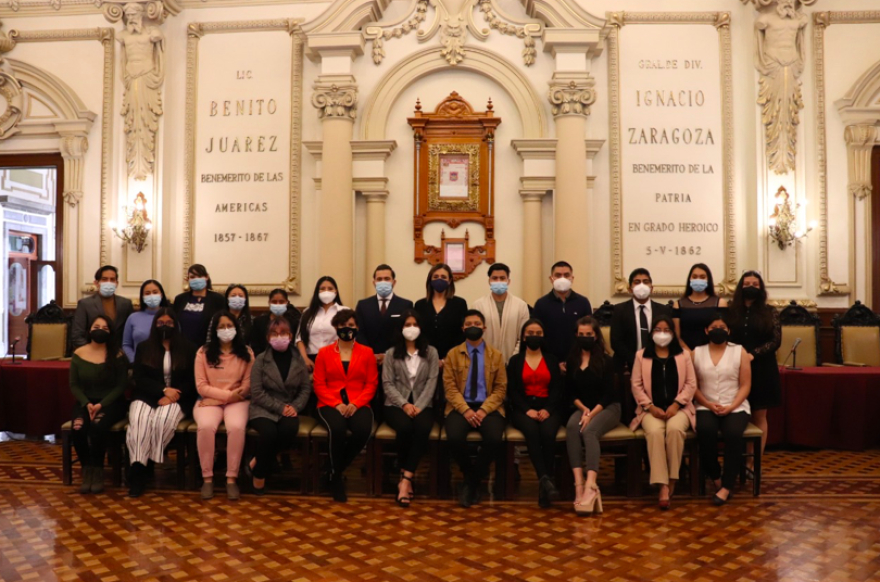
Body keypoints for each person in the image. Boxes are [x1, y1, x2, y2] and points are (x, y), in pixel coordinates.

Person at [126, 308, 197, 497]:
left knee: (161, 421)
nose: (164, 327)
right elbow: (139, 378)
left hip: (178, 398)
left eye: (169, 323)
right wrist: (163, 390)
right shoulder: (144, 347)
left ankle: (144, 462)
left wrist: (173, 395)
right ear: (154, 325)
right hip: (146, 395)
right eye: (160, 323)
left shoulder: (189, 348)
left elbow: (192, 380)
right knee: (139, 422)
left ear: (176, 325)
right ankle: (139, 470)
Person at [629, 315, 696, 510]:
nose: (662, 334)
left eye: (667, 330)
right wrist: (650, 406)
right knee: (655, 433)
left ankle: (672, 479)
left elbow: (691, 384)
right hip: (650, 410)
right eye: (658, 330)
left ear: (673, 334)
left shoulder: (683, 355)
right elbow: (636, 385)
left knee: (675, 430)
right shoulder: (641, 355)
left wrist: (677, 404)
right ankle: (663, 485)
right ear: (651, 334)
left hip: (680, 409)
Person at [443, 309, 507, 508]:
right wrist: (466, 410)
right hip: (460, 407)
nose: (473, 327)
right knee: (454, 437)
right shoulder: (453, 354)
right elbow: (450, 387)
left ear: (484, 328)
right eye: (469, 324)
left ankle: (470, 483)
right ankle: (473, 478)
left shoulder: (496, 356)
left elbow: (500, 388)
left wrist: (483, 410)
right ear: (463, 328)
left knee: (494, 438)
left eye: (477, 324)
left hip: (488, 408)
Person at [313, 309, 378, 502]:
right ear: (335, 328)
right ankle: (336, 479)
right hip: (329, 403)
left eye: (350, 325)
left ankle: (334, 469)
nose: (346, 329)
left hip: (359, 402)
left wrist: (356, 403)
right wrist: (336, 404)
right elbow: (319, 384)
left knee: (363, 430)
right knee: (337, 429)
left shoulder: (367, 352)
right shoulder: (324, 353)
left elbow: (371, 383)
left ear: (357, 327)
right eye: (342, 326)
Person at [193, 311, 254, 501]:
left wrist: (223, 399)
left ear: (236, 328)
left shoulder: (247, 352)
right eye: (221, 327)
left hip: (238, 400)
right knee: (205, 427)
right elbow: (201, 386)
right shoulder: (203, 352)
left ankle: (231, 478)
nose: (226, 330)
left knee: (236, 428)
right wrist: (226, 397)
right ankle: (208, 478)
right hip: (210, 400)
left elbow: (247, 385)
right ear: (214, 330)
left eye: (229, 326)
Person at [247, 317, 312, 495]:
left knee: (288, 430)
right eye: (274, 334)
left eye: (283, 333)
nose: (279, 337)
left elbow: (306, 389)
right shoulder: (261, 359)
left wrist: (295, 407)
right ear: (268, 338)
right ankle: (259, 477)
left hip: (290, 407)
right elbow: (257, 391)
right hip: (263, 408)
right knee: (269, 433)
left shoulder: (298, 359)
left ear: (290, 336)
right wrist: (280, 407)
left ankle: (256, 461)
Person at [692, 313, 752, 506]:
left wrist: (731, 406)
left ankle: (727, 486)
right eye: (713, 327)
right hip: (705, 405)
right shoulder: (696, 352)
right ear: (706, 331)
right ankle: (716, 478)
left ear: (728, 331)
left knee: (733, 434)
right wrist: (709, 404)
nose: (718, 330)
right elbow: (692, 385)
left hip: (735, 406)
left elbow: (745, 384)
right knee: (705, 431)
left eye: (722, 327)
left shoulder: (739, 351)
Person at [381, 309, 439, 507]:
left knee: (422, 428)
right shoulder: (391, 353)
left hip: (424, 404)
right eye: (407, 325)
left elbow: (432, 382)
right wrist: (404, 404)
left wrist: (419, 406)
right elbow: (387, 383)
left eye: (415, 325)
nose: (411, 328)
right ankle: (406, 476)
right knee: (405, 428)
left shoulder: (431, 352)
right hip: (396, 404)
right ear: (401, 329)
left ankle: (405, 479)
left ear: (421, 328)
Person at [565, 316, 620, 515]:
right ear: (576, 335)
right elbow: (570, 392)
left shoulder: (607, 360)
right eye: (582, 335)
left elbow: (609, 394)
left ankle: (591, 486)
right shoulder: (572, 359)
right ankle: (578, 483)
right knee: (572, 427)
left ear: (596, 336)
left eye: (589, 334)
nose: (585, 337)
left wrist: (591, 413)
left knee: (589, 432)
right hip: (583, 408)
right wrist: (583, 409)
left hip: (607, 408)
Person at [506, 318, 564, 508]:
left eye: (538, 334)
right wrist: (527, 410)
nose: (534, 337)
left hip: (549, 407)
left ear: (543, 336)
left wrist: (547, 409)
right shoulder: (515, 361)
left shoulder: (551, 359)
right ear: (523, 337)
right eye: (530, 333)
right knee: (531, 432)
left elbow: (557, 389)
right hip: (523, 409)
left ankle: (544, 485)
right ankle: (545, 481)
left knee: (547, 434)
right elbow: (512, 391)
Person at [69, 315, 128, 494]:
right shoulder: (79, 354)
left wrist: (101, 405)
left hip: (111, 403)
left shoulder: (118, 355)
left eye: (105, 327)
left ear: (110, 333)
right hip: (85, 402)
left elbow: (121, 386)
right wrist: (87, 403)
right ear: (89, 330)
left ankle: (98, 471)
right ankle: (87, 470)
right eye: (96, 326)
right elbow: (74, 385)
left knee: (97, 427)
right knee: (78, 428)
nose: (100, 330)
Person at [728, 270, 780, 469]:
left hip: (762, 369)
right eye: (747, 283)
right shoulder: (731, 311)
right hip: (734, 369)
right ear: (741, 287)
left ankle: (753, 461)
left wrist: (753, 355)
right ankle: (737, 459)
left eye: (755, 284)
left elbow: (775, 340)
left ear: (761, 288)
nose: (751, 287)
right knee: (737, 415)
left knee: (759, 416)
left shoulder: (770, 311)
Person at [611, 268, 672, 374]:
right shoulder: (619, 310)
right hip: (628, 365)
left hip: (657, 363)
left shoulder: (664, 310)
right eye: (637, 282)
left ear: (651, 288)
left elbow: (670, 338)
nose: (641, 285)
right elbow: (616, 342)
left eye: (646, 282)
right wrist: (637, 361)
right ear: (630, 289)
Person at [533, 261, 592, 362]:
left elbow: (589, 332)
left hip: (578, 360)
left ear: (572, 278)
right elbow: (538, 336)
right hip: (549, 360)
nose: (562, 278)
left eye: (566, 275)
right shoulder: (541, 304)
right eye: (558, 275)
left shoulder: (583, 302)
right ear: (551, 279)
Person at [355, 264, 414, 366]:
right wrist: (370, 355)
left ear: (393, 282)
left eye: (387, 279)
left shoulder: (405, 305)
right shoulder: (363, 305)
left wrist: (389, 355)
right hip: (368, 361)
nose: (383, 282)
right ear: (374, 283)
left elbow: (407, 333)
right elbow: (359, 332)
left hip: (397, 360)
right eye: (379, 279)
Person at [473, 263, 531, 364]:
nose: (498, 281)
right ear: (489, 281)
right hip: (485, 361)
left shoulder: (521, 305)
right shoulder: (478, 305)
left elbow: (523, 336)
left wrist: (513, 359)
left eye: (502, 278)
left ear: (508, 281)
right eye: (495, 278)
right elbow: (475, 336)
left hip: (513, 362)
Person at [414, 263, 468, 363]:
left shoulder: (460, 304)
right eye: (436, 277)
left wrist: (447, 358)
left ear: (450, 280)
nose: (439, 279)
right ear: (430, 280)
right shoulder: (420, 305)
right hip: (425, 360)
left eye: (443, 277)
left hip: (453, 360)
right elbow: (418, 334)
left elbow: (462, 334)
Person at [72, 265, 134, 348]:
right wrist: (91, 351)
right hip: (92, 354)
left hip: (119, 354)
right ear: (96, 283)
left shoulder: (126, 304)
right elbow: (77, 335)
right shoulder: (85, 304)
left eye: (112, 280)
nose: (109, 282)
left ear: (116, 283)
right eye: (104, 279)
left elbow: (130, 333)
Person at [296, 276, 347, 371]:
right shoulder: (308, 312)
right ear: (317, 292)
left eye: (330, 289)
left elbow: (350, 338)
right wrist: (305, 359)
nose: (326, 291)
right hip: (311, 360)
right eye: (322, 289)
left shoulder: (344, 311)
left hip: (337, 358)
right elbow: (299, 339)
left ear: (336, 291)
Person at [674, 263, 728, 352]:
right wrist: (690, 354)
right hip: (686, 354)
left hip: (713, 353)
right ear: (690, 279)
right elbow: (677, 336)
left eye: (702, 277)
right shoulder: (679, 304)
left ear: (708, 280)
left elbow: (723, 332)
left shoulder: (720, 303)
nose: (698, 280)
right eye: (694, 277)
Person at [173, 264, 226, 347]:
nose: (196, 279)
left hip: (208, 347)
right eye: (192, 277)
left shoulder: (218, 299)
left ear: (206, 277)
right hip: (182, 347)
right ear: (188, 279)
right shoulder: (180, 299)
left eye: (200, 276)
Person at [122, 279, 169, 362]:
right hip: (139, 366)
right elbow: (126, 345)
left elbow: (177, 342)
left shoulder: (170, 317)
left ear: (161, 295)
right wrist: (134, 361)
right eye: (147, 293)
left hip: (165, 365)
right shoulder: (133, 318)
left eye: (155, 292)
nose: (151, 295)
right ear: (142, 297)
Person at [251, 288, 302, 356]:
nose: (278, 304)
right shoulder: (259, 322)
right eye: (274, 302)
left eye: (281, 302)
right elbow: (255, 346)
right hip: (264, 360)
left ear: (287, 302)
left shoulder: (293, 322)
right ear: (269, 302)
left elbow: (295, 344)